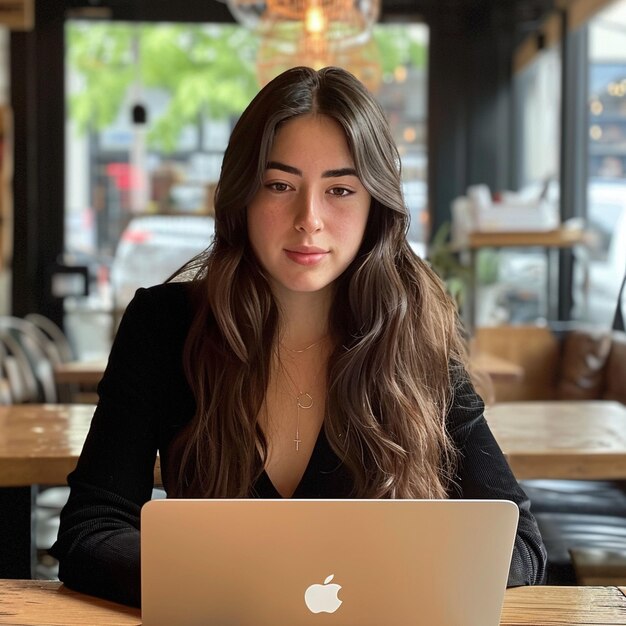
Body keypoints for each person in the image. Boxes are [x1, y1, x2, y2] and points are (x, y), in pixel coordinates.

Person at [50, 66, 546, 607]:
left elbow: (520, 544)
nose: (309, 219)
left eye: (339, 189)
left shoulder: (414, 332)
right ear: (242, 195)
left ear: (374, 206)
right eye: (280, 185)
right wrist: (229, 587)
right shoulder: (164, 325)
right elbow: (92, 529)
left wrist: (372, 583)